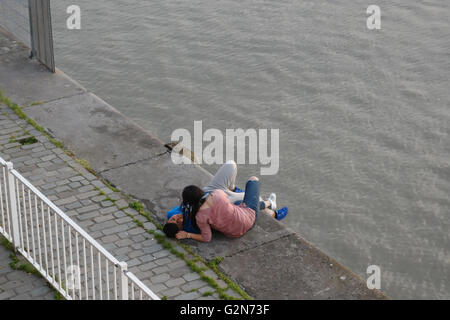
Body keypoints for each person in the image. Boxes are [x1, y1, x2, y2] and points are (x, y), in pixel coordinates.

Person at [164, 161, 288, 237]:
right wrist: (187, 235)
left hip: (208, 194)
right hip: (220, 202)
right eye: (178, 222)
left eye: (173, 219)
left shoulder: (172, 213)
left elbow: (177, 212)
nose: (177, 218)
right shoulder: (194, 224)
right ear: (180, 229)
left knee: (231, 164)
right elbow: (213, 228)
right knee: (252, 199)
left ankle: (232, 188)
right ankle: (271, 210)